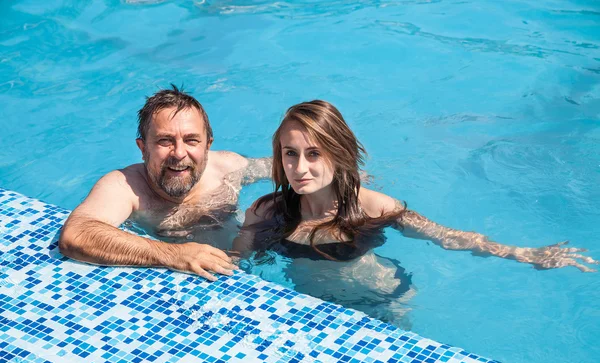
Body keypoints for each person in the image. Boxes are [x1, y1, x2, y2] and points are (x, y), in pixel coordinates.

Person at [233, 100, 598, 274]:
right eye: (290, 154)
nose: (300, 167)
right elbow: (235, 261)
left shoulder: (375, 207)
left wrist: (523, 254)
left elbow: (446, 236)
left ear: (339, 153)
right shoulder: (266, 212)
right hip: (313, 313)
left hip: (380, 303)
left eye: (314, 153)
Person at [59, 85, 272, 281]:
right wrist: (173, 254)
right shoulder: (126, 187)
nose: (179, 153)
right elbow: (76, 235)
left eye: (191, 140)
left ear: (207, 146)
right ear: (143, 148)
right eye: (165, 141)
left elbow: (282, 169)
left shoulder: (229, 167)